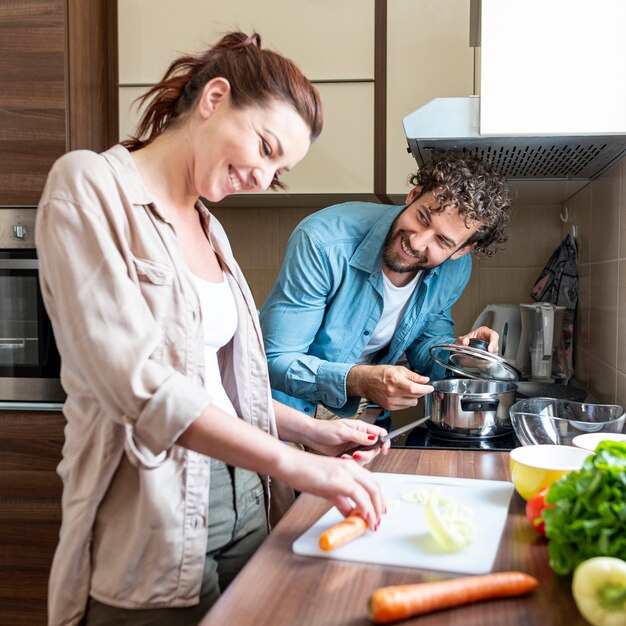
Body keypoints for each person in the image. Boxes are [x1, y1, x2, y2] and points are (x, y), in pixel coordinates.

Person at [36, 32, 388, 626]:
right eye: (266, 147)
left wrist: (314, 433)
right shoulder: (89, 186)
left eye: (280, 169)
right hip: (153, 518)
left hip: (249, 504)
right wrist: (296, 464)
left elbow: (222, 386)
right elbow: (139, 386)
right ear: (214, 98)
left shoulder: (210, 228)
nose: (263, 176)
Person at [259, 151, 513, 424]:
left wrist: (461, 355)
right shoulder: (323, 241)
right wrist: (361, 380)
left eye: (442, 240)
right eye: (423, 218)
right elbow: (275, 360)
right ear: (413, 195)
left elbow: (424, 345)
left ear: (462, 250)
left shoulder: (454, 269)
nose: (417, 243)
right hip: (286, 414)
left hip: (366, 415)